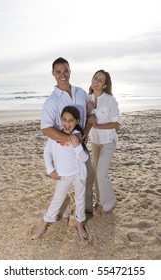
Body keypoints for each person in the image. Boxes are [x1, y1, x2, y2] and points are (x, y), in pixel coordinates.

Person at [40, 57, 99, 218]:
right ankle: (64, 213)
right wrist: (70, 141)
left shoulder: (80, 92)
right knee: (63, 182)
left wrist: (86, 131)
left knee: (88, 176)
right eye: (58, 71)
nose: (62, 74)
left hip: (81, 146)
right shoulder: (52, 101)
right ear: (53, 74)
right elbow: (46, 128)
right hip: (63, 149)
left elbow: (89, 116)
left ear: (70, 71)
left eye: (65, 70)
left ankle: (87, 209)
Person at [32, 106, 89, 240]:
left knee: (80, 200)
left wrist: (77, 145)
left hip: (78, 174)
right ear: (60, 120)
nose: (67, 123)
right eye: (64, 119)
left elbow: (85, 158)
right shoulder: (55, 136)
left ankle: (79, 224)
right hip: (62, 176)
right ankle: (44, 225)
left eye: (71, 120)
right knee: (57, 200)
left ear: (77, 121)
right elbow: (47, 153)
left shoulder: (77, 136)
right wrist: (50, 170)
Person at [87, 69, 121, 212]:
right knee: (95, 172)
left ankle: (109, 203)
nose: (96, 81)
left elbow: (117, 124)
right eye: (95, 78)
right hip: (94, 141)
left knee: (101, 174)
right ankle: (98, 199)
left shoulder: (110, 100)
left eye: (100, 80)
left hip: (108, 142)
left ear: (105, 85)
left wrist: (98, 125)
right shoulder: (87, 98)